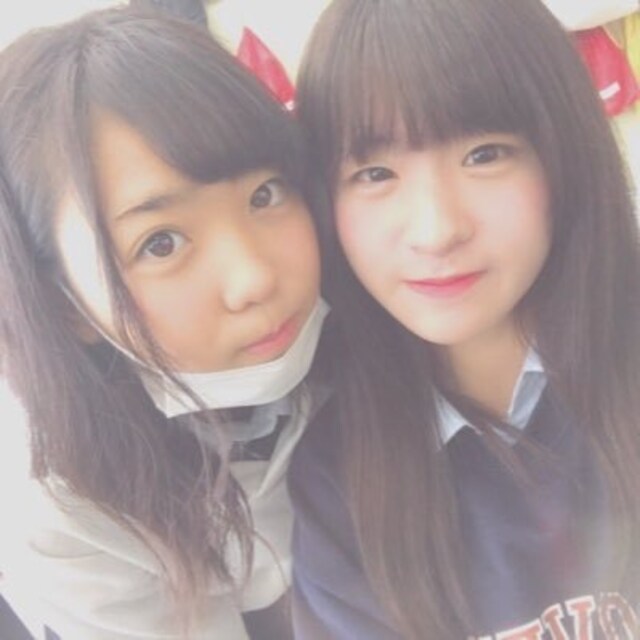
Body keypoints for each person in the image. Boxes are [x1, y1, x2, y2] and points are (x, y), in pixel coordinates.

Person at [288, 0, 640, 638]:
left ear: (565, 155)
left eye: (484, 154)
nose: (436, 229)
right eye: (374, 172)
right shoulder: (335, 478)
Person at [0, 7, 328, 639]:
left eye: (264, 194)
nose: (255, 278)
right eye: (161, 243)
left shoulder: (386, 309)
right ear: (64, 305)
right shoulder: (53, 492)